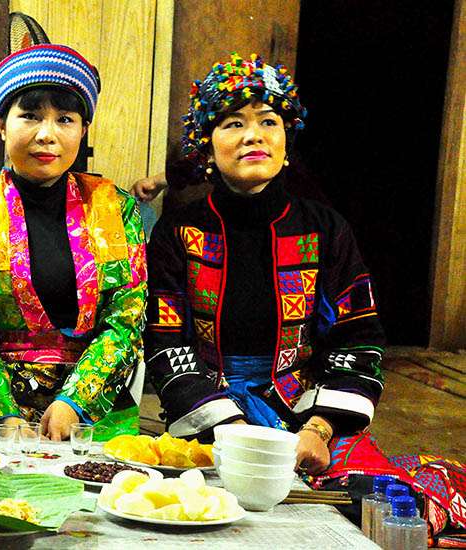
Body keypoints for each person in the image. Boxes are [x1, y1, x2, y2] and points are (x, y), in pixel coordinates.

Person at [144, 53, 386, 474]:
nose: (253, 135)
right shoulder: (178, 232)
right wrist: (232, 428)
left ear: (287, 141)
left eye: (268, 121)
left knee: (384, 493)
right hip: (208, 415)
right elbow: (166, 344)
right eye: (233, 123)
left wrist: (319, 429)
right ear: (207, 144)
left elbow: (358, 340)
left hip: (306, 414)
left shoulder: (326, 230)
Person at [0, 44, 147, 441]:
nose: (46, 135)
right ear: (1, 124)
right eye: (29, 116)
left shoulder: (115, 211)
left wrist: (74, 402)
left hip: (93, 411)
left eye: (64, 119)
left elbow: (126, 318)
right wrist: (2, 415)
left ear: (83, 130)